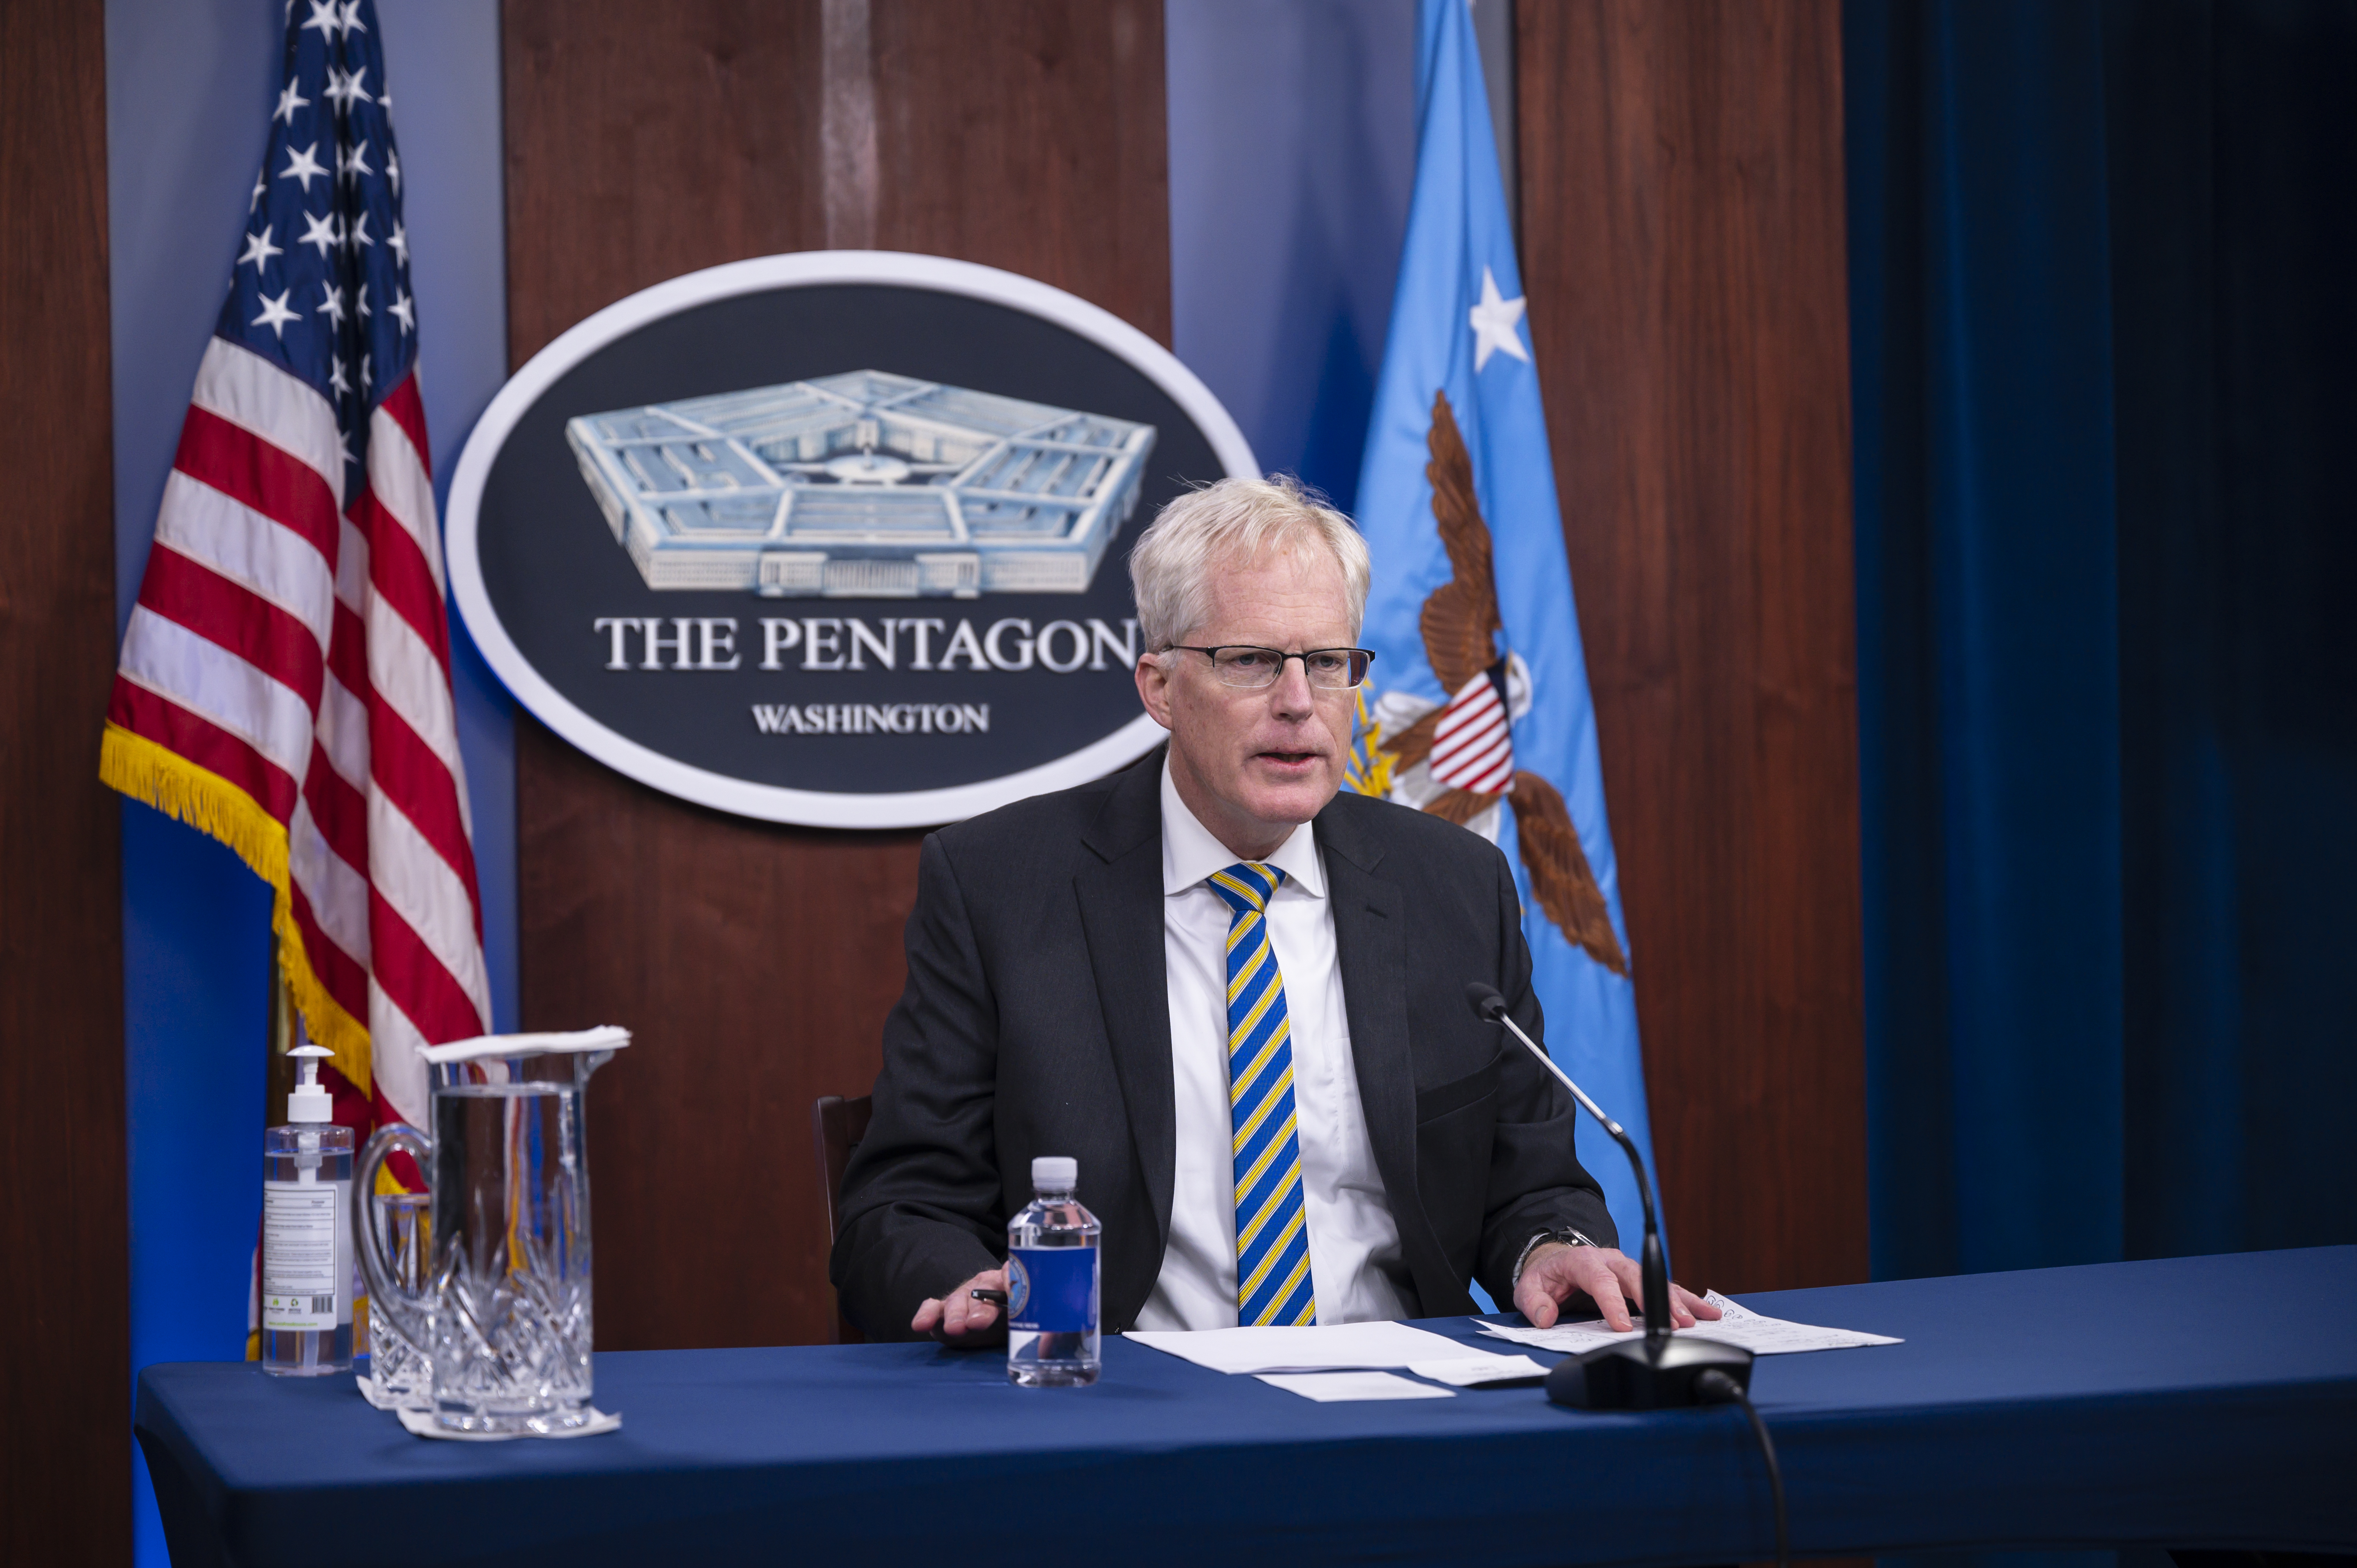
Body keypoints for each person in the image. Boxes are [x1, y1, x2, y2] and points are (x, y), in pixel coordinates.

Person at [830, 475, 1718, 1343]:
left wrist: (1547, 1247)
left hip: (1396, 1405)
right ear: (1159, 686)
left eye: (1328, 662)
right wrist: (970, 1284)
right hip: (1125, 1412)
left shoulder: (1455, 887)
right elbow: (905, 1201)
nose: (1299, 702)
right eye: (1251, 660)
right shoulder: (1002, 885)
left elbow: (1529, 1180)